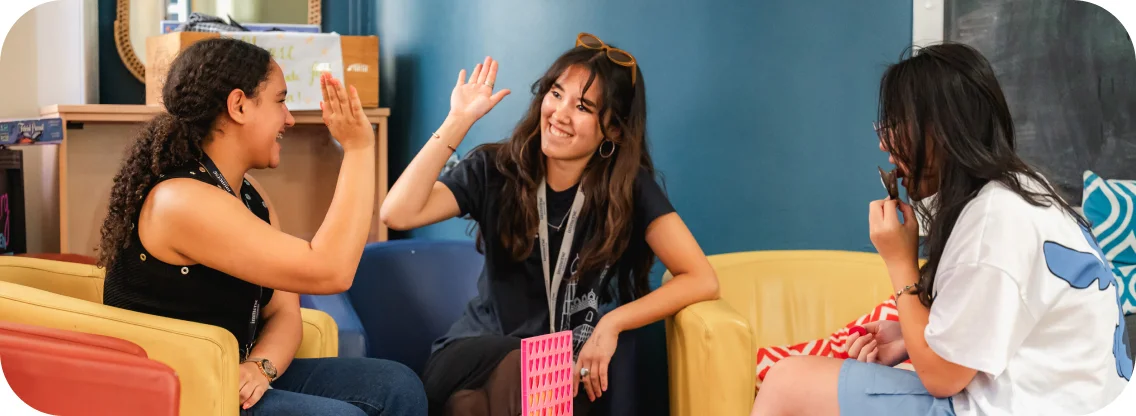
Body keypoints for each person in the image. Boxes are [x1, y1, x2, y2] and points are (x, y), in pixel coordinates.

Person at [750, 42, 1132, 416]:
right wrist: (908, 339)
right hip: (1083, 396)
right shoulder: (1026, 189)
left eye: (895, 126)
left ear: (940, 132)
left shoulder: (993, 221)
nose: (884, 143)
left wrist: (901, 261)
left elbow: (943, 378)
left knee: (785, 381)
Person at [379, 33, 720, 416]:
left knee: (469, 407)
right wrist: (459, 121)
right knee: (521, 368)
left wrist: (612, 324)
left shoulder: (628, 190)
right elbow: (397, 213)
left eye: (584, 106)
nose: (559, 113)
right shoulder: (496, 169)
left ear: (614, 130)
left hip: (563, 371)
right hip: (472, 354)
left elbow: (701, 278)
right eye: (555, 94)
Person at [99, 38, 427, 416]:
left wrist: (261, 366)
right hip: (180, 388)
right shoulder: (182, 201)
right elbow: (331, 270)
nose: (288, 118)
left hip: (229, 378)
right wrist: (357, 150)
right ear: (239, 105)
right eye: (280, 100)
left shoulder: (251, 196)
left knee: (397, 386)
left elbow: (284, 312)